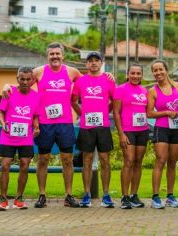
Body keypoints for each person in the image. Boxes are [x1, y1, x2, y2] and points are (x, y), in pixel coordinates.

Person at [3, 42, 83, 208]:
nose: (55, 57)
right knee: (43, 159)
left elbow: (89, 84)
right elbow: (22, 86)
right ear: (47, 56)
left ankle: (68, 195)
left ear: (63, 56)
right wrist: (7, 86)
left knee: (67, 160)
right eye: (52, 54)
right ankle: (42, 195)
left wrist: (108, 78)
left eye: (58, 54)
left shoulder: (71, 72)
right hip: (45, 124)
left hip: (65, 123)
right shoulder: (39, 72)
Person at [71, 52, 116, 208]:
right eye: (90, 61)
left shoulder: (108, 80)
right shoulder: (81, 81)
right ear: (87, 64)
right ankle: (87, 194)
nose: (94, 63)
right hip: (86, 127)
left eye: (97, 60)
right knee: (87, 160)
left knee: (105, 160)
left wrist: (106, 111)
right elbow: (73, 101)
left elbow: (115, 101)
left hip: (103, 127)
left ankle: (106, 195)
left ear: (101, 63)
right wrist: (81, 113)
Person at [147, 60, 178, 209]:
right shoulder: (153, 91)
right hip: (161, 129)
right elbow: (149, 113)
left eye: (160, 69)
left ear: (166, 70)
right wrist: (166, 112)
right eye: (155, 70)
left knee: (172, 162)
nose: (158, 73)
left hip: (177, 129)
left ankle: (170, 196)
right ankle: (155, 197)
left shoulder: (177, 87)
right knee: (160, 160)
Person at [0, 67, 40, 211]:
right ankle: (3, 200)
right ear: (17, 79)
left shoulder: (36, 96)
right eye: (22, 79)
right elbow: (0, 112)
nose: (25, 82)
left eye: (28, 79)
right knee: (5, 166)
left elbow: (35, 116)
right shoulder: (9, 92)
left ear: (32, 80)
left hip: (25, 137)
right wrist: (3, 124)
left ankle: (18, 199)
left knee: (24, 166)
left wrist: (37, 127)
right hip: (8, 136)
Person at [113, 64, 149, 209]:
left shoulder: (145, 91)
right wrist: (121, 134)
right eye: (132, 73)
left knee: (138, 161)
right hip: (127, 130)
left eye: (138, 73)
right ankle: (125, 196)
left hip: (143, 130)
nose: (135, 76)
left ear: (141, 75)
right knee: (129, 160)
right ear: (127, 74)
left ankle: (134, 195)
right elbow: (115, 112)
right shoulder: (120, 89)